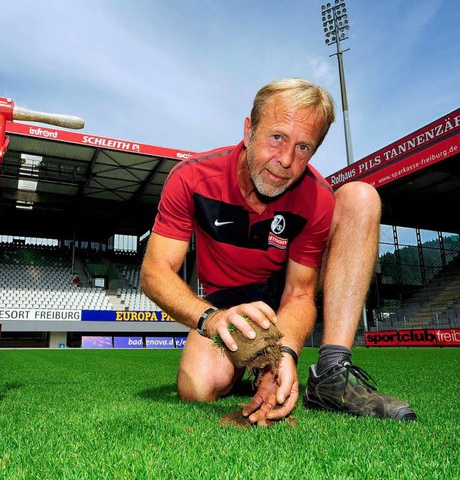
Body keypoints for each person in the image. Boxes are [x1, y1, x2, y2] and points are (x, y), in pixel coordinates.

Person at [140, 77, 416, 426]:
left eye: (304, 148)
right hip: (226, 305)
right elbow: (154, 272)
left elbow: (299, 293)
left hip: (282, 297)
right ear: (248, 130)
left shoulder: (315, 197)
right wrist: (211, 318)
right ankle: (252, 368)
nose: (286, 160)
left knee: (360, 198)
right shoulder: (191, 178)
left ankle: (332, 371)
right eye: (277, 138)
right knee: (198, 387)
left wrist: (284, 351)